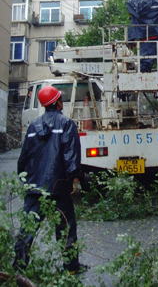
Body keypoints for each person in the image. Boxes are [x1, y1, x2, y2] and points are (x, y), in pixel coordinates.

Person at [14, 85, 86, 275]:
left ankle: (18, 268)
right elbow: (70, 156)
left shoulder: (32, 127)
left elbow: (23, 159)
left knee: (27, 230)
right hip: (59, 187)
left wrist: (26, 179)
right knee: (66, 228)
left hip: (34, 188)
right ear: (57, 103)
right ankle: (71, 268)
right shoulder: (66, 124)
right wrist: (75, 179)